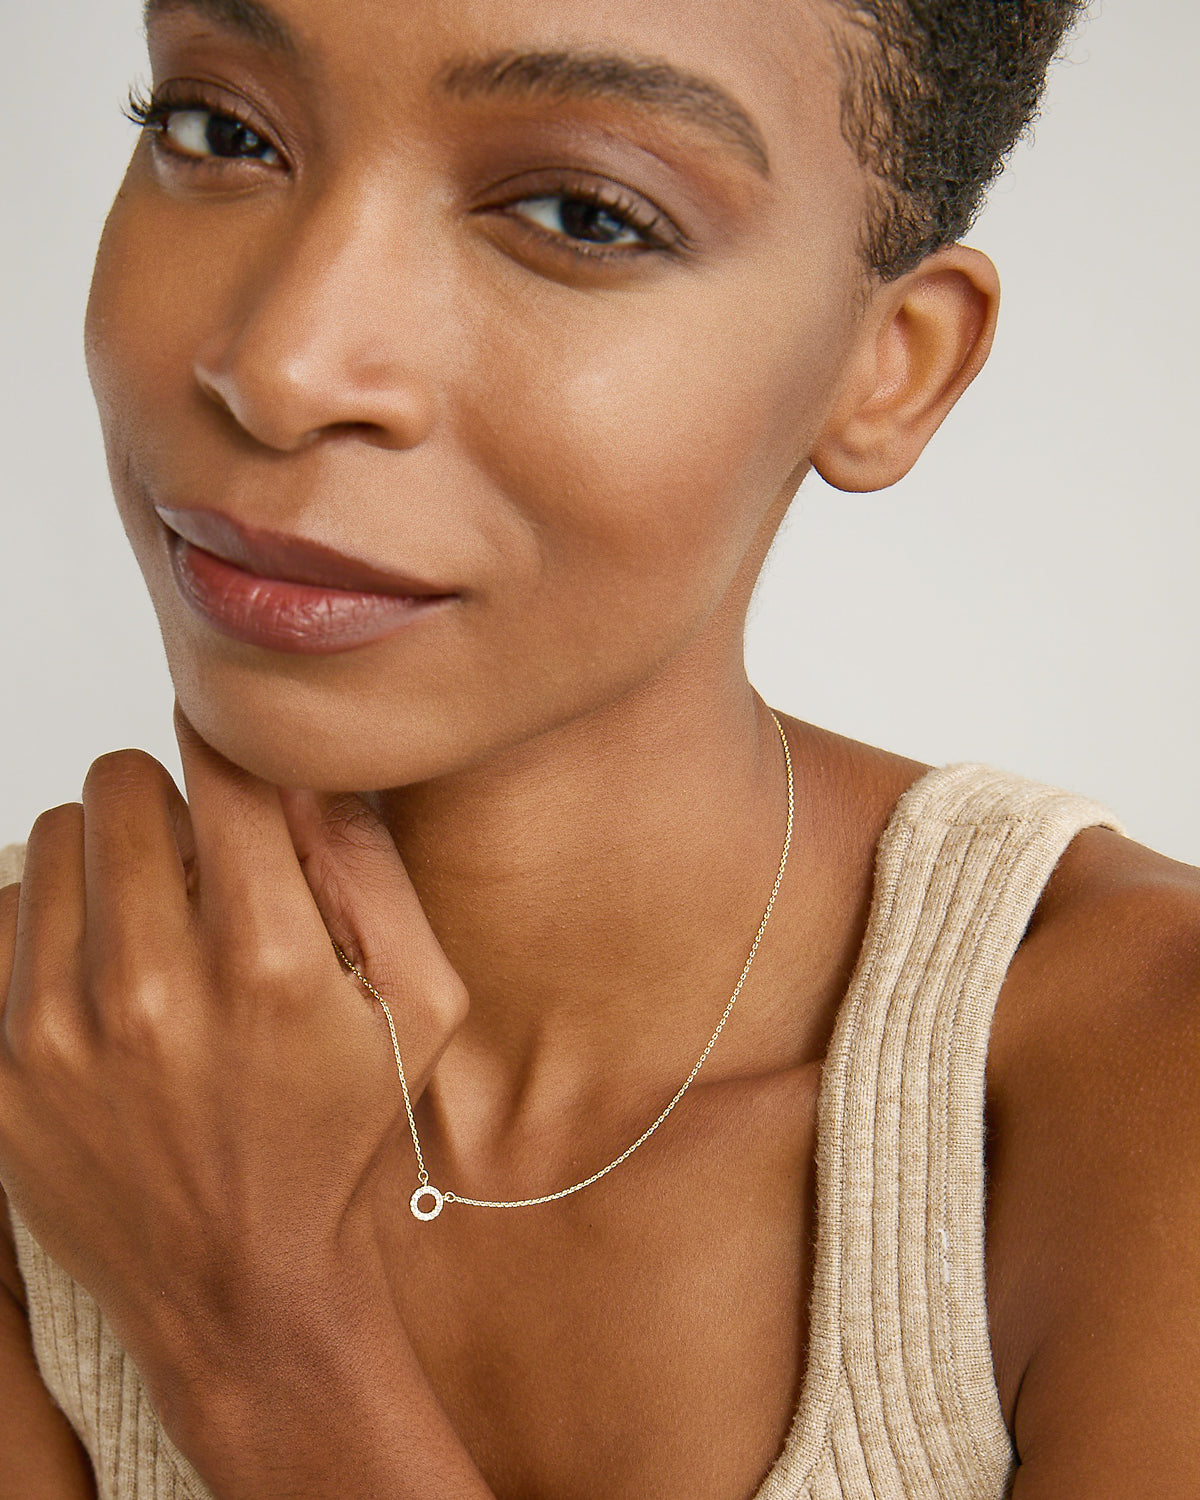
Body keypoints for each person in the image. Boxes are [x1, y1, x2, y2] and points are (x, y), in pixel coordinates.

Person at [0, 0, 1196, 1496]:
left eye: (582, 215)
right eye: (220, 130)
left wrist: (260, 1330)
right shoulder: (38, 1065)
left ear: (889, 366)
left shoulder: (1140, 1069)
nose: (285, 367)